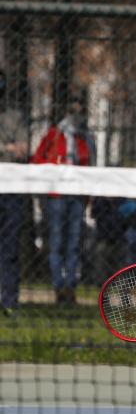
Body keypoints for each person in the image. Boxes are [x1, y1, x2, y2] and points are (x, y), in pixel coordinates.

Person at [30, 93, 94, 305]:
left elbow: (89, 166)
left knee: (74, 242)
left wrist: (87, 194)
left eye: (79, 112)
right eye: (71, 111)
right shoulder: (53, 136)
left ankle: (71, 286)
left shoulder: (84, 139)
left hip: (76, 195)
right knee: (57, 241)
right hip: (56, 195)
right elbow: (38, 160)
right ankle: (58, 286)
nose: (75, 116)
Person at [0, 69, 28, 318]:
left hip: (9, 189)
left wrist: (8, 149)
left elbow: (22, 150)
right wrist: (6, 147)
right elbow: (13, 148)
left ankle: (9, 301)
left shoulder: (14, 117)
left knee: (9, 249)